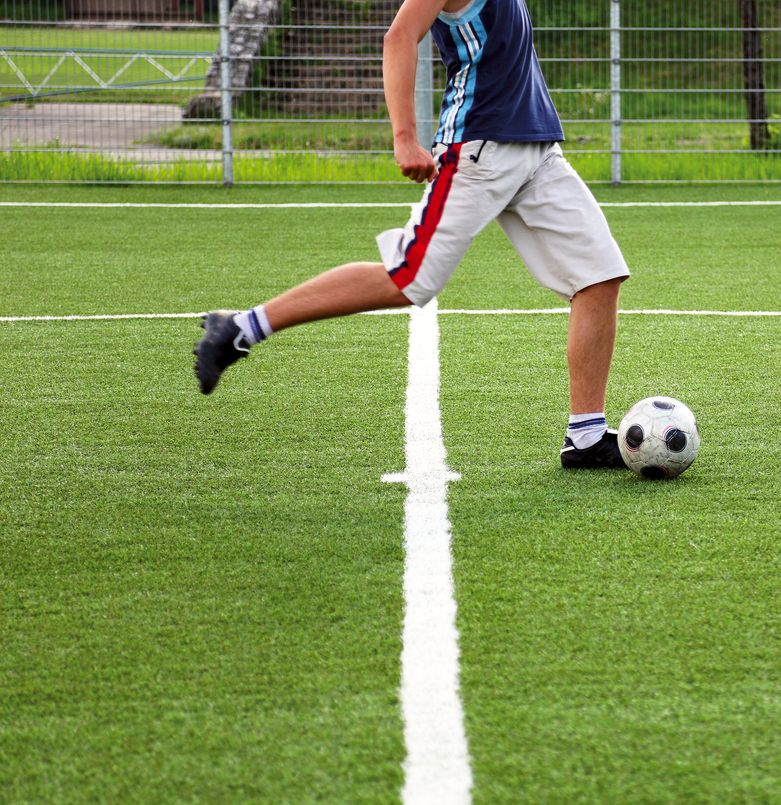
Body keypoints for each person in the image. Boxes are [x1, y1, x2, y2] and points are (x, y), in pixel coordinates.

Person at [193, 0, 629, 470]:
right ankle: (241, 327)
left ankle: (585, 436)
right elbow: (399, 37)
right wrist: (404, 136)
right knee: (408, 280)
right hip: (478, 151)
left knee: (599, 276)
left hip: (539, 149)